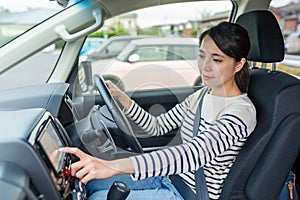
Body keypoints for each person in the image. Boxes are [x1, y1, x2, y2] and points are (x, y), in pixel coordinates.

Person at [60, 22, 257, 200]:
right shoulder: (202, 95)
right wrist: (123, 99)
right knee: (90, 184)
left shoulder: (241, 113)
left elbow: (193, 154)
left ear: (238, 64)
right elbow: (157, 126)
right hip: (170, 178)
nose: (205, 66)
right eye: (201, 55)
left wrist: (111, 166)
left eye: (217, 60)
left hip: (191, 194)